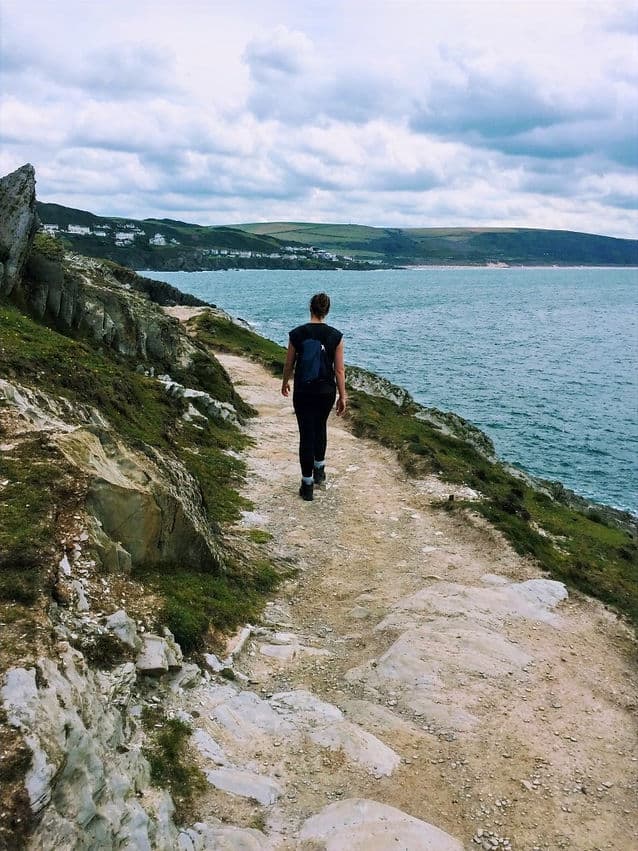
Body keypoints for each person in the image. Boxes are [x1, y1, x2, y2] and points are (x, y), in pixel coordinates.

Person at [282, 292, 347, 501]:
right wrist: (343, 396)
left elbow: (289, 364)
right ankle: (320, 471)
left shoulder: (297, 334)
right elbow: (339, 370)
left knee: (306, 434)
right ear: (327, 310)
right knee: (320, 428)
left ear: (310, 308)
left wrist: (285, 382)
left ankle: (307, 484)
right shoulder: (335, 336)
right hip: (326, 391)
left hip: (303, 391)